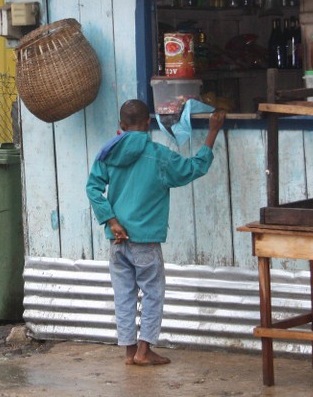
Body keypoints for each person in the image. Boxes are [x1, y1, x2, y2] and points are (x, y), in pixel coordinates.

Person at [86, 99, 226, 366]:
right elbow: (194, 168)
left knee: (124, 295)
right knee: (152, 293)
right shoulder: (159, 155)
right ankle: (144, 351)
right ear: (148, 124)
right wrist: (212, 132)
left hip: (117, 239)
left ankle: (129, 352)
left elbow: (93, 188)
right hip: (145, 241)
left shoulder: (107, 153)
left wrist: (111, 220)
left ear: (121, 126)